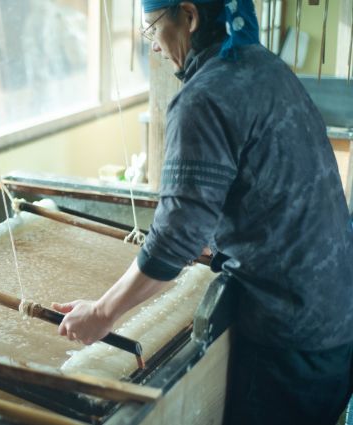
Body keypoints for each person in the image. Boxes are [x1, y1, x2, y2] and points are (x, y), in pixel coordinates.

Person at [51, 1, 353, 424]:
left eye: (153, 28)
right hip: (336, 315)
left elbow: (174, 238)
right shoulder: (267, 67)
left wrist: (101, 313)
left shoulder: (205, 97)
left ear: (189, 17)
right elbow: (262, 185)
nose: (153, 46)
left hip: (291, 338)